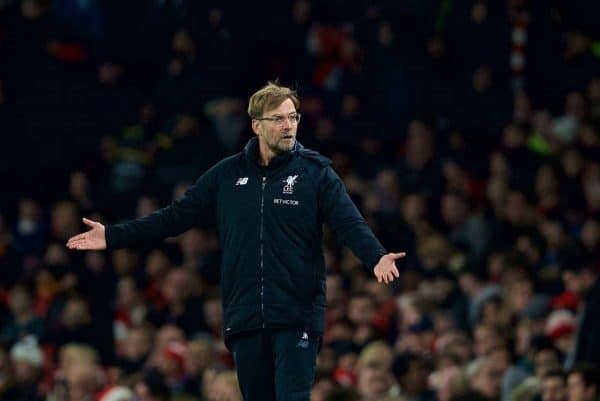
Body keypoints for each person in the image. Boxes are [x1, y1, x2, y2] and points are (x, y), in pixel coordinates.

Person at [66, 81, 406, 401]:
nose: (288, 126)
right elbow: (173, 218)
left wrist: (376, 256)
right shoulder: (226, 175)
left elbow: (349, 222)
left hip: (296, 313)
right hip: (244, 315)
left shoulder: (316, 174)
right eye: (278, 119)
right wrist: (113, 235)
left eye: (293, 117)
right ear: (256, 126)